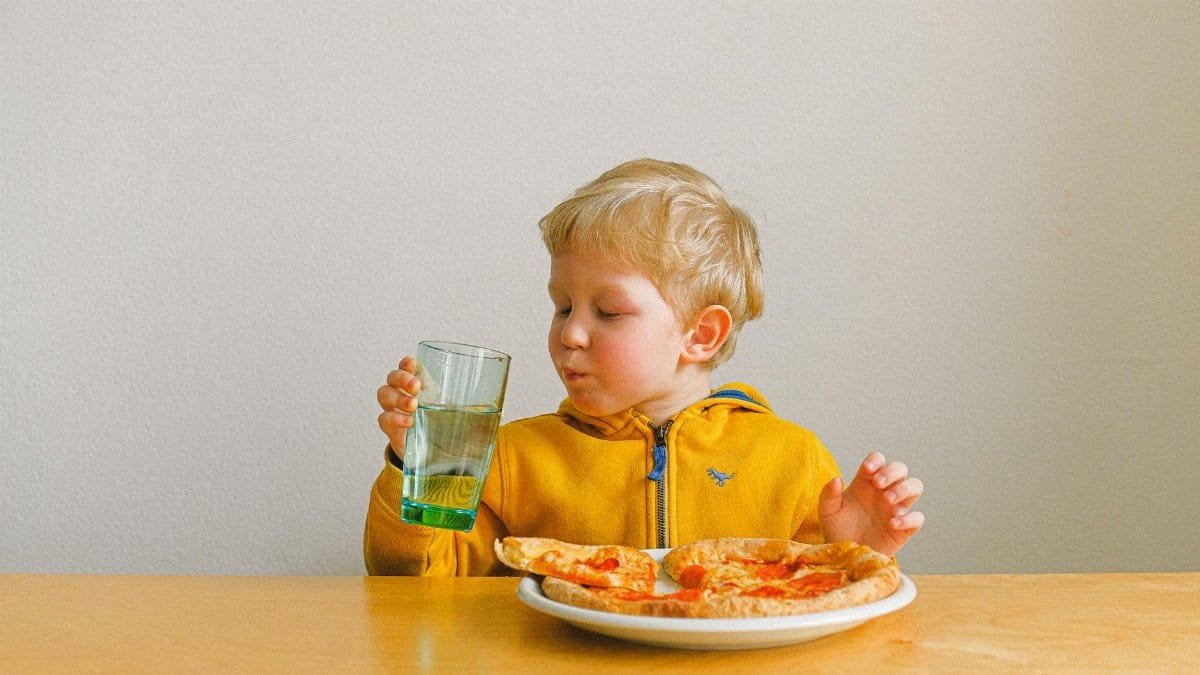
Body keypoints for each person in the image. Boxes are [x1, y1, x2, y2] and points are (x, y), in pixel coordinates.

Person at [365, 158, 925, 576]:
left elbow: (818, 603)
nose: (569, 332)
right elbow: (413, 582)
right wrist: (417, 464)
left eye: (607, 311)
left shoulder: (792, 461)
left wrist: (856, 554)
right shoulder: (515, 461)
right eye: (562, 306)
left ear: (700, 334)